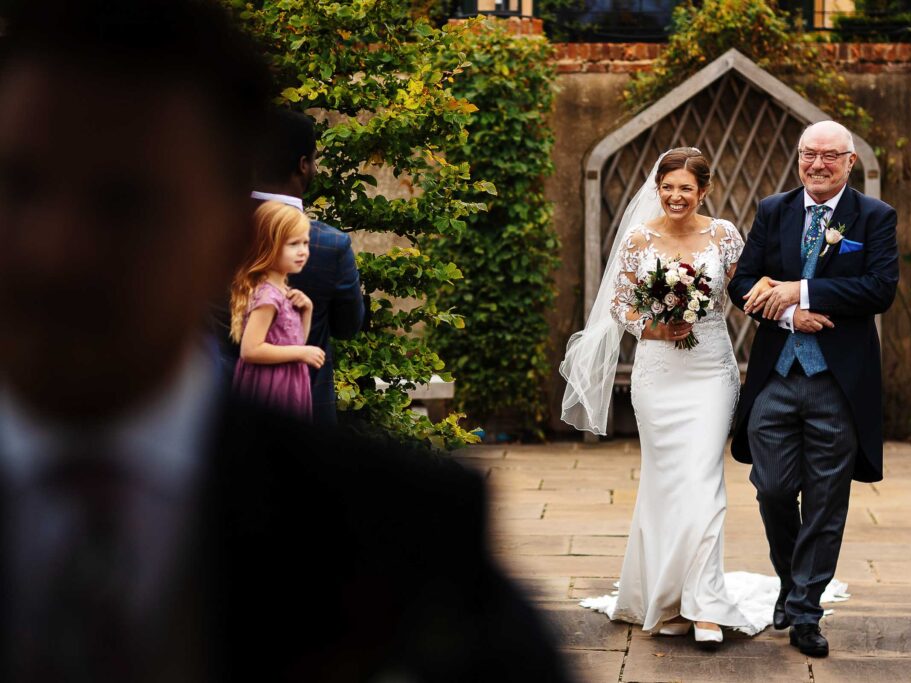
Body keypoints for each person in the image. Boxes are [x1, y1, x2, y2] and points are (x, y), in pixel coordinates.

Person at [0, 1, 572, 681]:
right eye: (18, 187)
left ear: (224, 233)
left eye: (125, 202)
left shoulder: (400, 545)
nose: (57, 251)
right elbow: (343, 325)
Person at [561, 148, 828, 645]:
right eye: (668, 187)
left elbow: (745, 290)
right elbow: (619, 303)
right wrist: (653, 328)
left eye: (686, 187)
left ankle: (705, 605)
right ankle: (666, 598)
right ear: (657, 188)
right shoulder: (641, 238)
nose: (676, 196)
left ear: (704, 190)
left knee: (703, 481)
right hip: (658, 373)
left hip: (710, 370)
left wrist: (791, 309)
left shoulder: (724, 235)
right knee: (665, 483)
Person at [727, 120, 899, 658]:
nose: (817, 164)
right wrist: (789, 316)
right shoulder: (773, 209)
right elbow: (741, 281)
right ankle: (788, 581)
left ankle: (804, 612)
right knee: (773, 487)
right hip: (776, 377)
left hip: (837, 384)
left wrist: (800, 290)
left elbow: (879, 288)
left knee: (826, 501)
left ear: (850, 162)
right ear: (798, 158)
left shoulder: (873, 217)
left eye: (829, 156)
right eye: (808, 154)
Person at [252, 109, 365, 425]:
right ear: (303, 165)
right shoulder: (328, 245)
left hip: (215, 422)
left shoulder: (207, 233)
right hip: (302, 420)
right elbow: (348, 326)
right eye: (314, 160)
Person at [230, 201, 324, 420]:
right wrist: (302, 353)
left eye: (306, 243)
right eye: (293, 244)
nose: (303, 251)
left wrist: (306, 311)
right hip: (271, 386)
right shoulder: (268, 296)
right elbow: (250, 350)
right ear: (268, 246)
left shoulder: (282, 290)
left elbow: (297, 340)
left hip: (286, 381)